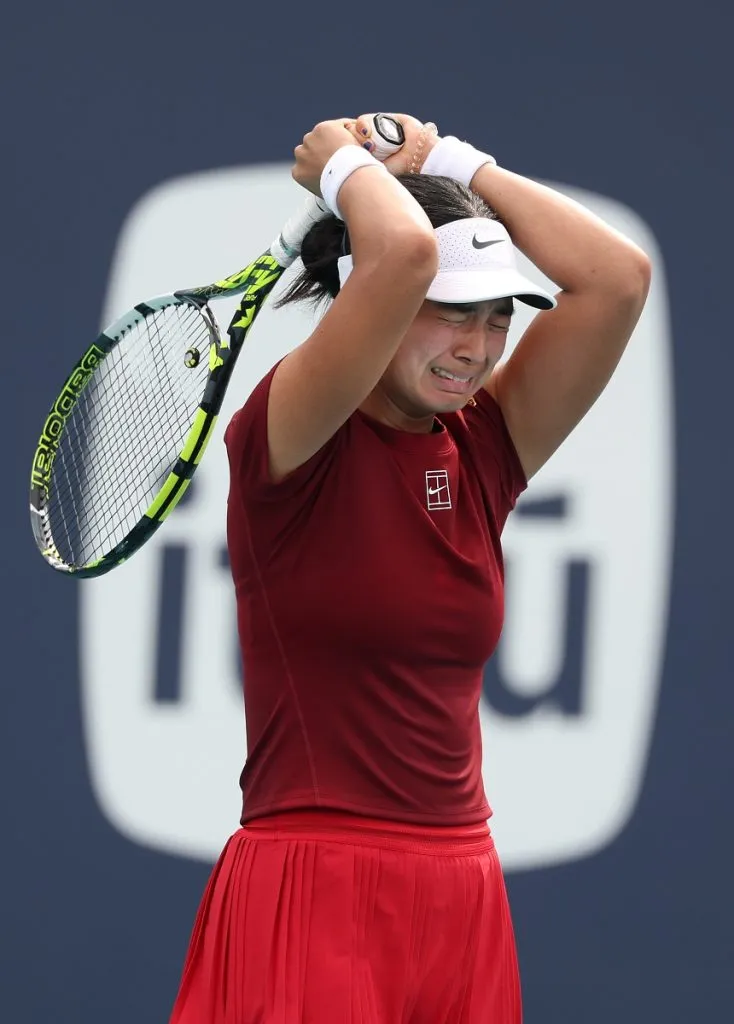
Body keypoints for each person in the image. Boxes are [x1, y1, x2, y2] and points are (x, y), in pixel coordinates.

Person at [168, 113, 651, 1024]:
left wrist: (448, 163)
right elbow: (397, 257)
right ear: (371, 296)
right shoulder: (291, 434)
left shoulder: (482, 450)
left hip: (463, 893)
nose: (474, 346)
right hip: (312, 890)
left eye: (496, 314)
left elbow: (617, 280)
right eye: (449, 311)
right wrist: (339, 162)